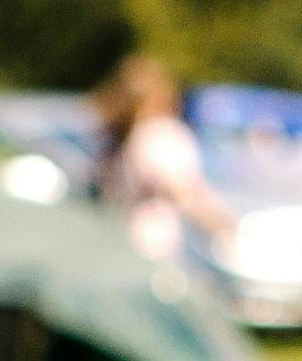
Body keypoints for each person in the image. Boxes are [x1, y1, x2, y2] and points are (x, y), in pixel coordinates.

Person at [92, 54, 234, 263]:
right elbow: (180, 190)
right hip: (153, 252)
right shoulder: (158, 135)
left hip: (118, 244)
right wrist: (225, 227)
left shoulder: (119, 137)